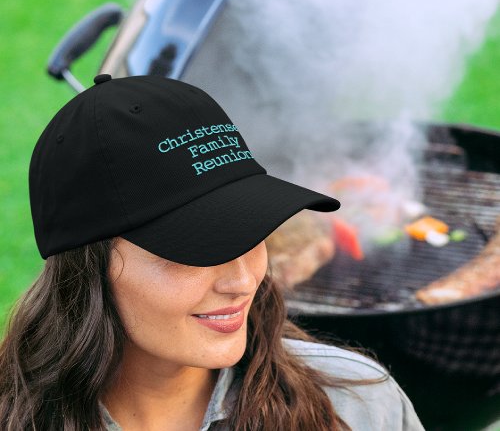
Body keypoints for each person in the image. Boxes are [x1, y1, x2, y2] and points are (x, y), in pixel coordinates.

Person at [0, 74, 425, 430]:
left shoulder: (357, 407)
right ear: (88, 270)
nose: (243, 281)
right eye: (197, 250)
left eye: (251, 234)